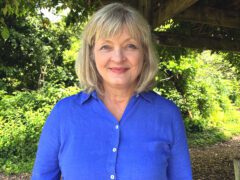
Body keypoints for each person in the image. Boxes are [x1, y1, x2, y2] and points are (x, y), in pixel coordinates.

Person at [32, 2, 192, 180]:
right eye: (106, 46)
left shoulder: (167, 115)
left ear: (145, 53)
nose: (118, 57)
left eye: (130, 46)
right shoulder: (63, 115)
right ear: (91, 54)